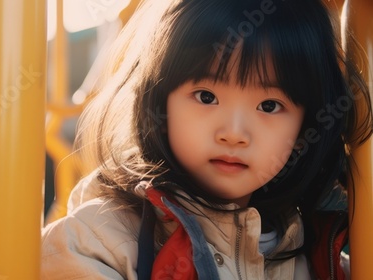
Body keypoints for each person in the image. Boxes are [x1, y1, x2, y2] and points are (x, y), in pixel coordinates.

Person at [41, 0, 373, 279]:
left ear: (303, 131)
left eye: (269, 106)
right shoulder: (103, 239)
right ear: (160, 101)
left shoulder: (309, 256)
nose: (233, 133)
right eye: (206, 96)